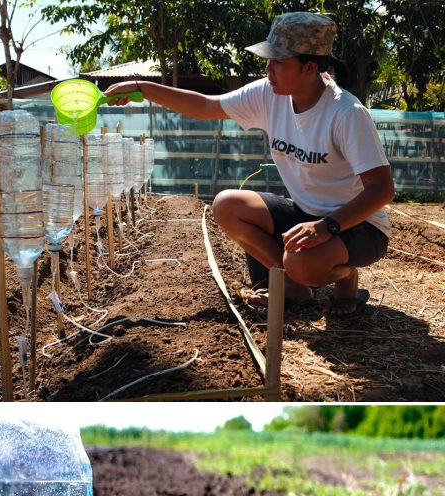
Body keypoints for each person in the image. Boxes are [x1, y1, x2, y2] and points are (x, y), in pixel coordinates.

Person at [104, 12, 393, 317]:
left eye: (278, 62)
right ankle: (291, 285)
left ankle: (346, 278)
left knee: (302, 263)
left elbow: (382, 189)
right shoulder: (270, 95)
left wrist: (326, 227)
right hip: (306, 213)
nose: (268, 69)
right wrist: (141, 88)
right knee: (227, 205)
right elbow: (205, 105)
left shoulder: (346, 113)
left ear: (309, 66)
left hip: (357, 225)